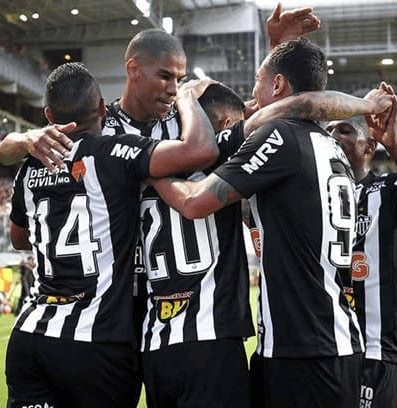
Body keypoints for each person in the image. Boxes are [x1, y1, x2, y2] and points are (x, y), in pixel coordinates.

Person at [0, 21, 392, 408]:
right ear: (133, 70)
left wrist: (280, 50)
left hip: (155, 332)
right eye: (166, 77)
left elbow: (282, 106)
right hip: (139, 327)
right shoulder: (180, 134)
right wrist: (24, 138)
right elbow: (292, 106)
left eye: (180, 80)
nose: (174, 88)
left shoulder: (127, 138)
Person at [148, 38, 369, 408]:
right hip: (332, 341)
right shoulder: (330, 146)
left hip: (303, 352)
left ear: (278, 85)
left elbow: (195, 202)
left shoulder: (280, 135)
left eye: (257, 81)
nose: (252, 93)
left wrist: (150, 169)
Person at [5, 62, 218, 408]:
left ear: (49, 115)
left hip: (30, 336)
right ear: (103, 109)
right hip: (95, 341)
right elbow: (200, 149)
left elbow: (19, 238)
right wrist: (187, 96)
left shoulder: (27, 169)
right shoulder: (112, 154)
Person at [326, 85, 397, 408]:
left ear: (369, 146)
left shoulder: (387, 188)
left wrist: (395, 146)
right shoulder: (314, 195)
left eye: (344, 130)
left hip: (374, 350)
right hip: (326, 348)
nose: (333, 136)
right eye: (329, 129)